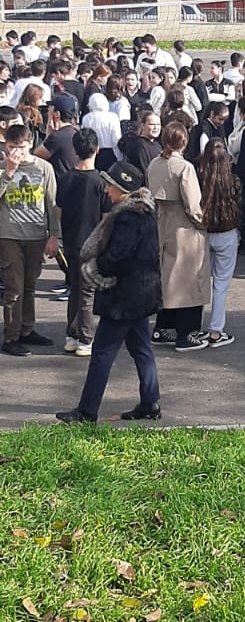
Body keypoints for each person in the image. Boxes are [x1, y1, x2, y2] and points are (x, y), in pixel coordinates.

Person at [56, 162, 163, 424]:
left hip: (123, 298)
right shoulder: (146, 212)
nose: (106, 190)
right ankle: (150, 402)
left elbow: (118, 255)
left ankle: (87, 411)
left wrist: (96, 268)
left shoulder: (127, 217)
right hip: (142, 295)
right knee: (141, 349)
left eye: (110, 185)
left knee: (102, 353)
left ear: (122, 189)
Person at [148, 122, 211, 351]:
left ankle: (162, 327)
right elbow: (192, 205)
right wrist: (203, 223)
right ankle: (186, 333)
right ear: (184, 142)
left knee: (168, 278)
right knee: (188, 280)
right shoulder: (184, 167)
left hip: (162, 221)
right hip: (183, 226)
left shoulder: (155, 164)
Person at [0, 123, 60, 356]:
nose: (17, 152)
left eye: (22, 147)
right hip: (9, 234)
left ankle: (27, 329)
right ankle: (11, 336)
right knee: (14, 287)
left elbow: (52, 203)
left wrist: (54, 235)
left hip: (36, 234)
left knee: (30, 285)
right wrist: (9, 172)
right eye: (12, 147)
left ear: (31, 144)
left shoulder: (44, 168)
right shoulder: (3, 167)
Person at [56, 127, 107, 357]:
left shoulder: (65, 178)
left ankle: (72, 335)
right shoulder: (100, 181)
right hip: (92, 243)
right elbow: (106, 217)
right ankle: (86, 339)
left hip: (70, 241)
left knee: (75, 288)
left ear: (75, 151)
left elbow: (58, 211)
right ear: (97, 150)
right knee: (87, 293)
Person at [200, 139, 241, 348]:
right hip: (227, 232)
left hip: (202, 232)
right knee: (221, 283)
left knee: (198, 281)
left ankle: (194, 327)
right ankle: (216, 330)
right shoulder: (233, 181)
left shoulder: (199, 178)